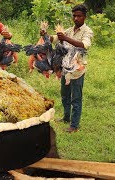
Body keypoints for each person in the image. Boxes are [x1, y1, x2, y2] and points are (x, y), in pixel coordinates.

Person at [43, 4, 93, 133]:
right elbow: (55, 38)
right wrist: (45, 35)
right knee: (65, 95)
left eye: (79, 16)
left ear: (84, 17)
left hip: (77, 70)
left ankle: (74, 125)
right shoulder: (70, 30)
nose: (76, 18)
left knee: (76, 98)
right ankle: (66, 117)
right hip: (65, 68)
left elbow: (85, 45)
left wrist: (65, 38)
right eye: (74, 16)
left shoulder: (87, 31)